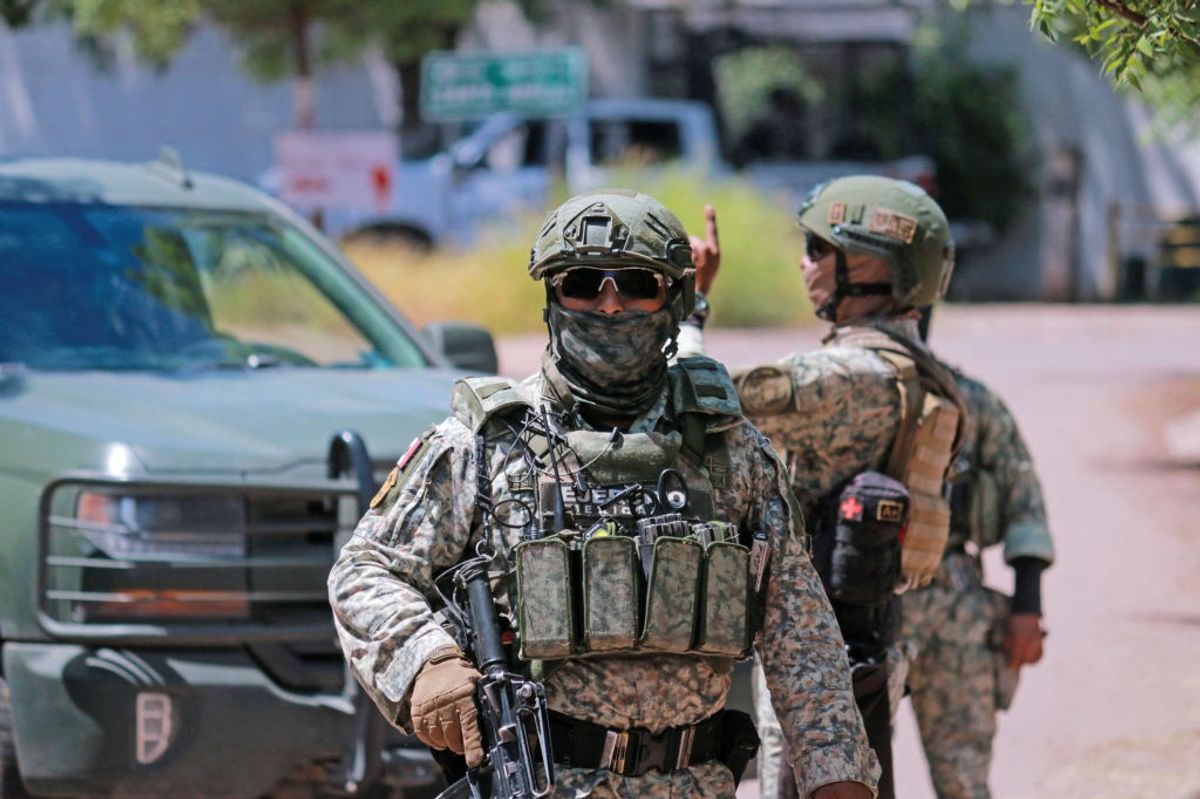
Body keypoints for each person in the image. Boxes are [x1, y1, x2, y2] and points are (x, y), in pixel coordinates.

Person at [328, 189, 879, 798]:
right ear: (551, 299)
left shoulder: (731, 449)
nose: (610, 306)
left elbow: (800, 628)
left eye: (638, 283)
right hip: (546, 782)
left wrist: (838, 773)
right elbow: (365, 570)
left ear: (675, 300)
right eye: (584, 283)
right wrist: (425, 660)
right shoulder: (487, 445)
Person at [681, 177, 966, 799]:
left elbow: (694, 399)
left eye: (817, 247)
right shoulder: (919, 371)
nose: (804, 263)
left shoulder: (849, 377)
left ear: (868, 266)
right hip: (869, 632)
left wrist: (691, 307)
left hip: (815, 650)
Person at [895, 311, 1054, 799]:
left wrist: (1027, 605)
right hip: (854, 603)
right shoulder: (828, 393)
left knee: (963, 777)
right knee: (837, 774)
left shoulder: (970, 401)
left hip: (951, 598)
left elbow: (1022, 497)